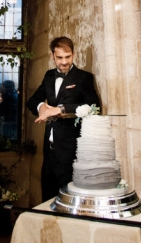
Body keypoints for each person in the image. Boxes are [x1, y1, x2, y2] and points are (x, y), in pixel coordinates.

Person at [26, 36, 100, 201]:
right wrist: (42, 107)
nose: (64, 62)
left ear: (73, 54)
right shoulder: (49, 76)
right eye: (59, 57)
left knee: (69, 200)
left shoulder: (83, 78)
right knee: (47, 200)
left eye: (68, 57)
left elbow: (94, 107)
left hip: (70, 152)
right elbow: (32, 101)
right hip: (49, 152)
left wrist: (61, 109)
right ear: (52, 56)